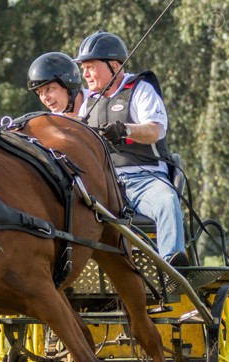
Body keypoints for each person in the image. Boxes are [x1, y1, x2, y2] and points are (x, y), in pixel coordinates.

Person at [72, 31, 188, 265]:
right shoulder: (89, 102)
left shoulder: (140, 89)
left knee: (167, 201)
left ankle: (172, 269)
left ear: (113, 65)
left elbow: (155, 130)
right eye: (83, 68)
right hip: (105, 184)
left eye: (90, 67)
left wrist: (124, 130)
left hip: (145, 179)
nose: (85, 74)